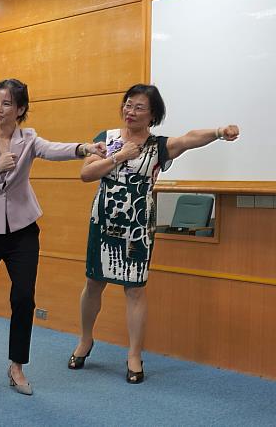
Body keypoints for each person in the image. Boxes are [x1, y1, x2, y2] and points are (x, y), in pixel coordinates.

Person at [0, 78, 107, 396]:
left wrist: (84, 148)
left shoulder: (28, 138)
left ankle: (16, 366)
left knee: (24, 298)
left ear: (21, 109)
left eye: (6, 103)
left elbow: (52, 150)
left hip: (22, 231)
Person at [67, 83, 239, 383]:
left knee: (135, 290)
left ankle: (134, 354)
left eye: (138, 107)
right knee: (94, 283)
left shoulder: (158, 145)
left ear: (152, 116)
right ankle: (85, 339)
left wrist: (218, 131)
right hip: (103, 221)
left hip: (137, 226)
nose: (130, 111)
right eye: (128, 104)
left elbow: (188, 139)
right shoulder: (107, 140)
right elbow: (85, 174)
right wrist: (119, 156)